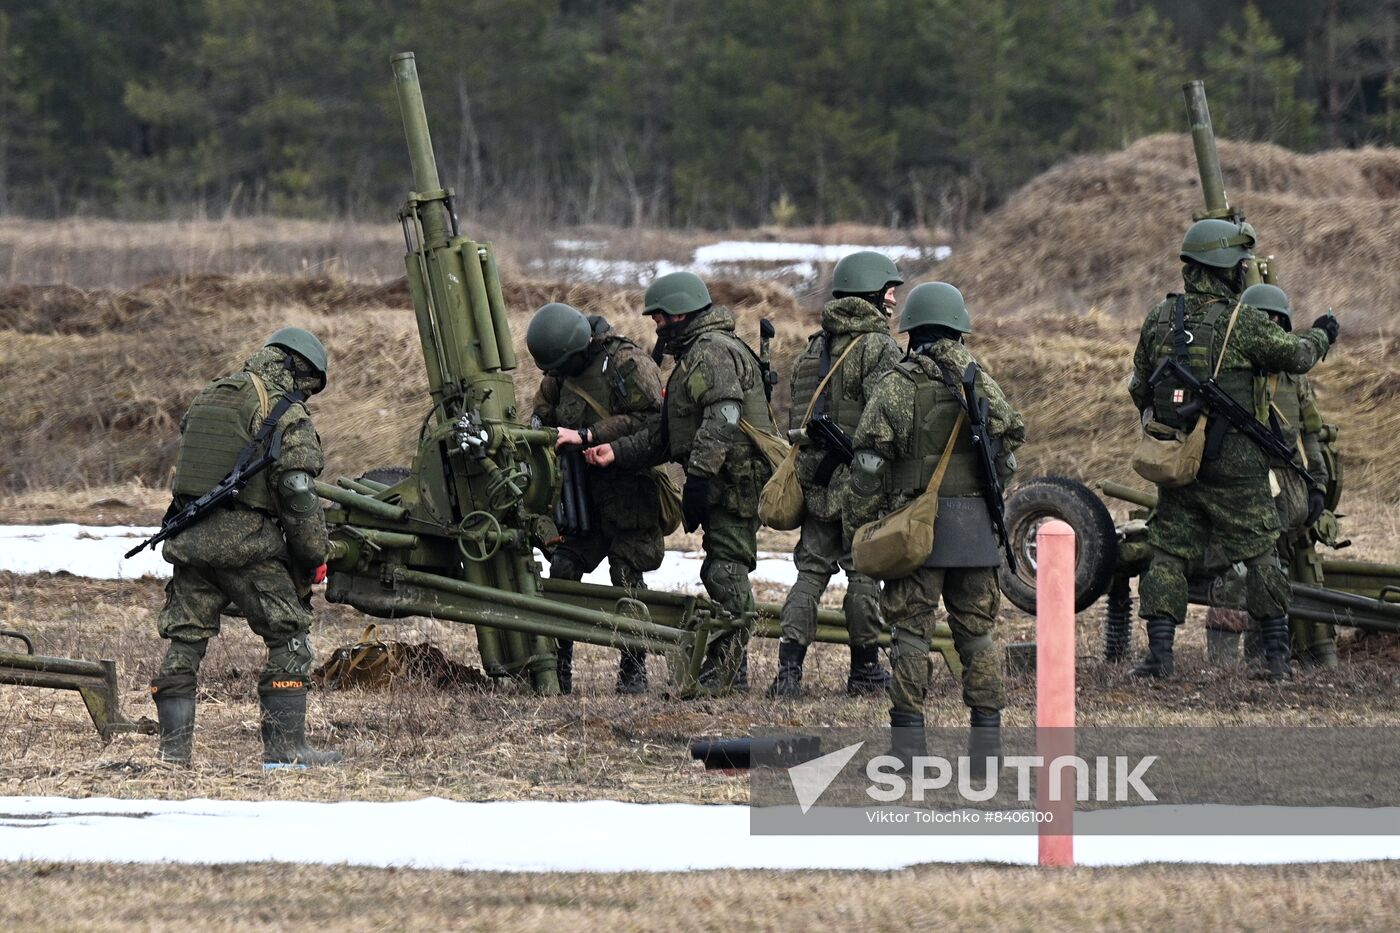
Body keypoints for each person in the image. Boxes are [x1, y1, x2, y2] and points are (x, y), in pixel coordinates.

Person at [1128, 220, 1338, 681]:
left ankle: (1159, 657)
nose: (1245, 271)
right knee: (1262, 551)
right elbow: (1298, 356)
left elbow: (1140, 387)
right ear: (1225, 267)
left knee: (1167, 549)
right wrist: (1323, 332)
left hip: (1180, 459)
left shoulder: (1159, 319)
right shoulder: (1241, 322)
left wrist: (1173, 425)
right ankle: (1278, 658)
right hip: (1236, 463)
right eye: (1241, 264)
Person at [843, 282, 1024, 768]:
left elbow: (866, 464)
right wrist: (992, 490)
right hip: (974, 531)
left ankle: (907, 749)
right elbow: (1011, 438)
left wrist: (859, 521)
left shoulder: (898, 384)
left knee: (911, 635)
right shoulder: (978, 379)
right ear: (958, 329)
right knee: (978, 636)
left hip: (914, 531)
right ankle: (987, 746)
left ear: (913, 331)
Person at [149, 328, 341, 767]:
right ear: (299, 371)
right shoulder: (284, 412)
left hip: (191, 539)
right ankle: (285, 750)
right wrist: (314, 554)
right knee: (288, 636)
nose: (306, 396)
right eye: (308, 386)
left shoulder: (211, 396)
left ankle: (173, 754)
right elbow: (296, 491)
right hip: (247, 547)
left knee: (184, 640)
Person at [584, 272, 775, 691]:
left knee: (725, 573)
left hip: (735, 483)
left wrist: (701, 478)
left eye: (660, 319)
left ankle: (728, 671)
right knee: (720, 571)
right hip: (723, 482)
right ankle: (727, 668)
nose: (657, 328)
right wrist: (616, 451)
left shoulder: (711, 352)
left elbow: (724, 415)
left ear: (681, 314)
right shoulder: (695, 357)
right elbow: (667, 435)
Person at [769, 251, 903, 698]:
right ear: (868, 292)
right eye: (888, 289)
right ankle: (865, 670)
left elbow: (799, 415)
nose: (893, 298)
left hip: (817, 477)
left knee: (809, 573)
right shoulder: (878, 347)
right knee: (864, 572)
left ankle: (788, 673)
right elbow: (889, 416)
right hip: (861, 478)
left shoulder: (814, 348)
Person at [526, 302, 667, 694]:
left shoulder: (627, 363)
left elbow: (654, 421)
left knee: (627, 578)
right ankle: (558, 670)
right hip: (579, 495)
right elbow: (541, 417)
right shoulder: (558, 374)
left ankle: (633, 669)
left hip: (628, 491)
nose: (555, 375)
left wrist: (589, 435)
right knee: (564, 570)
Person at [1202, 283, 1338, 669]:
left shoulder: (1295, 378)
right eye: (1261, 318)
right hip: (1239, 484)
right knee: (1233, 575)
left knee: (1271, 574)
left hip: (1285, 488)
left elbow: (1311, 435)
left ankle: (1264, 658)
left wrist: (1318, 485)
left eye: (1275, 319)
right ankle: (1222, 667)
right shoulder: (1229, 371)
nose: (1268, 325)